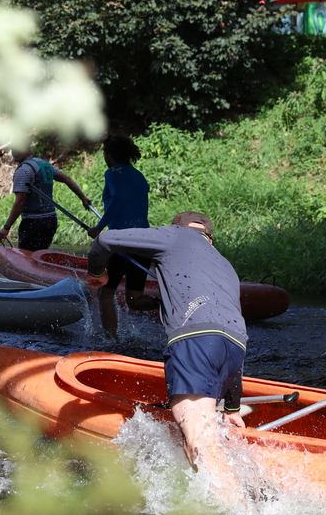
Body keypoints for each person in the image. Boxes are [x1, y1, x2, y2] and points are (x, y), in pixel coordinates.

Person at [86, 212, 247, 494]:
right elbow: (224, 339)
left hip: (195, 341)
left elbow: (105, 239)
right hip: (236, 347)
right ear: (210, 238)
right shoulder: (225, 265)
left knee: (201, 440)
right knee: (201, 433)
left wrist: (98, 273)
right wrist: (232, 407)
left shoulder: (174, 235)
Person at [84, 134, 154, 335]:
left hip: (123, 242)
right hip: (144, 241)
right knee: (134, 299)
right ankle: (162, 304)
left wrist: (99, 227)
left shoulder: (113, 173)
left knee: (105, 294)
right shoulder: (139, 175)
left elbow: (119, 198)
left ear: (109, 154)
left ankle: (111, 341)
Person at [0, 148, 93, 252]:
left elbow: (20, 201)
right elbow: (67, 179)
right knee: (39, 254)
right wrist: (83, 198)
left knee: (28, 256)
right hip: (50, 221)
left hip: (34, 223)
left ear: (27, 150)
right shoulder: (44, 164)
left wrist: (7, 227)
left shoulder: (24, 170)